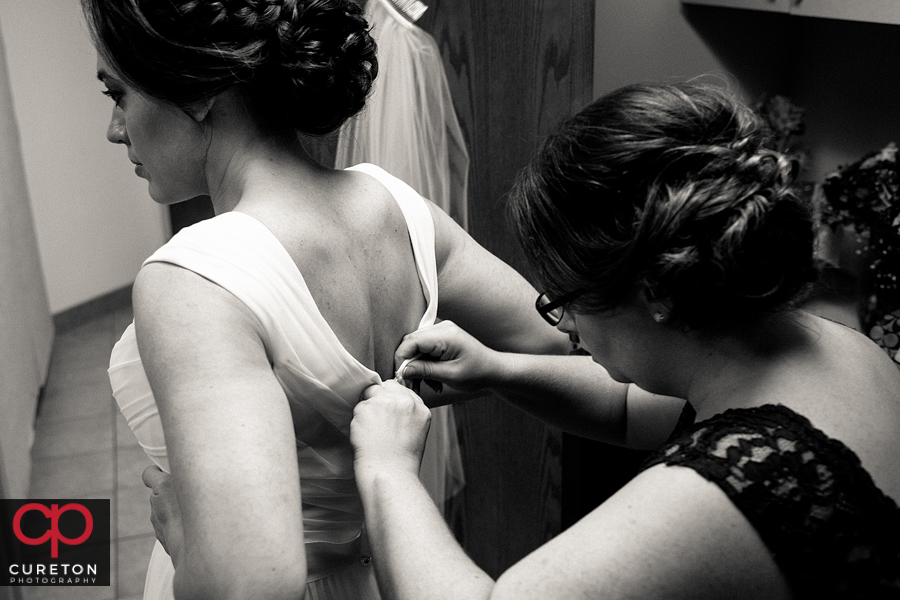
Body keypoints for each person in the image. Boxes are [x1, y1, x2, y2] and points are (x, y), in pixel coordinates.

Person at [84, 1, 572, 599]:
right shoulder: (398, 207)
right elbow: (573, 340)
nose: (113, 129)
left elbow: (248, 587)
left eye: (118, 95)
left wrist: (186, 541)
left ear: (199, 90)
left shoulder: (195, 278)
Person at [349, 82, 900, 599]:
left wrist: (387, 469)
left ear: (656, 293)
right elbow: (629, 409)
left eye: (566, 296)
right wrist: (497, 369)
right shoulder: (827, 347)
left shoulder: (725, 489)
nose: (562, 323)